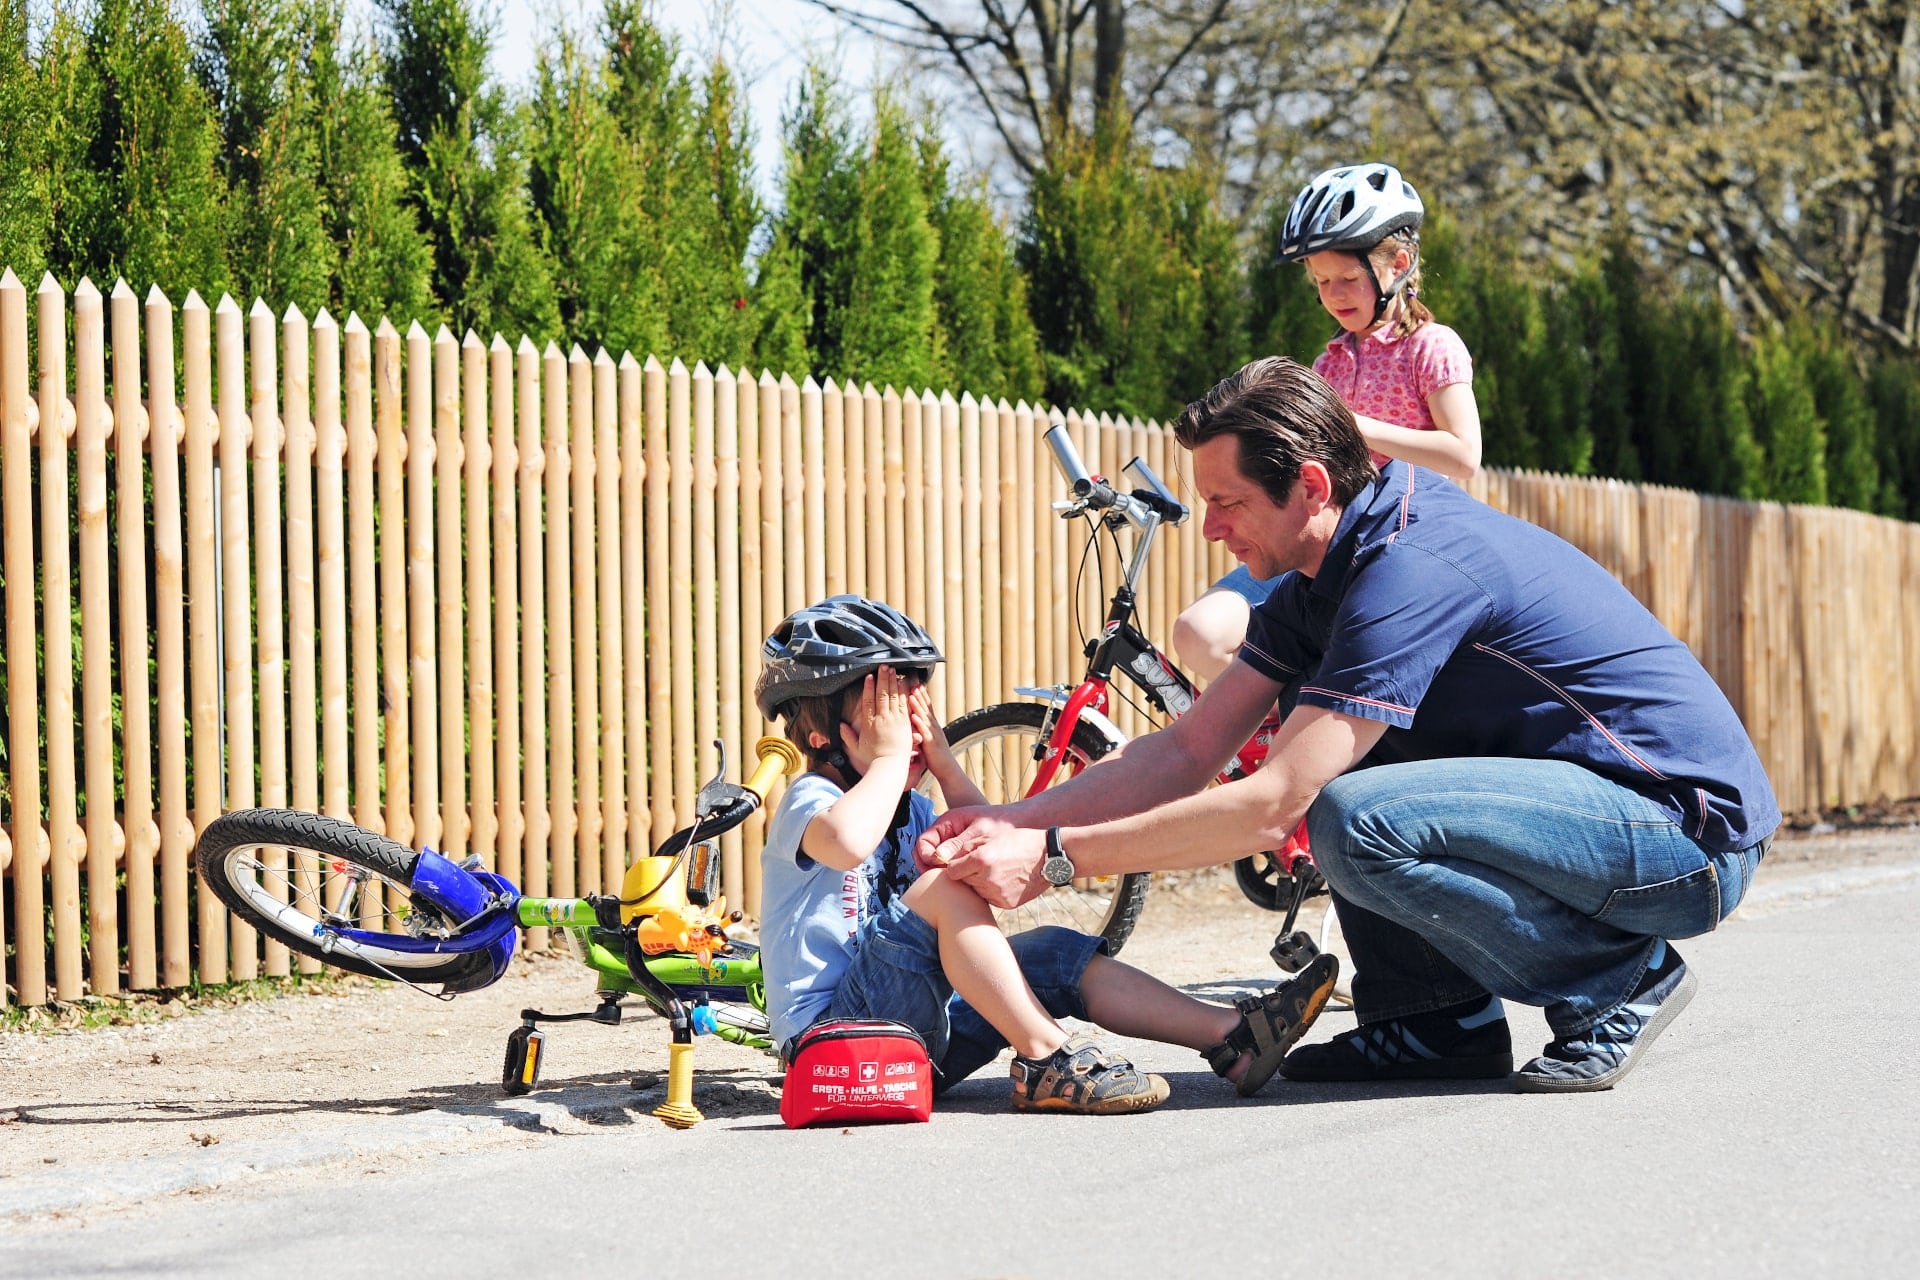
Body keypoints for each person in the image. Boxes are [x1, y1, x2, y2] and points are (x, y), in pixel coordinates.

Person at [919, 357, 1779, 1094]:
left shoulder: (1408, 568)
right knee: (1340, 752)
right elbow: (1188, 748)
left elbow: (1274, 805)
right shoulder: (1314, 586)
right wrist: (1013, 821)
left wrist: (1059, 858)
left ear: (1312, 484)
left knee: (1347, 812)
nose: (1211, 529)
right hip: (1593, 818)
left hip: (1685, 834)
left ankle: (1619, 980)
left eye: (1229, 503)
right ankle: (1437, 1022)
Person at [754, 594, 1338, 1114]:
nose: (906, 736)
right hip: (836, 1043)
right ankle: (1044, 1058)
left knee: (1051, 953)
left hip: (918, 1034)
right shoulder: (814, 801)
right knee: (939, 890)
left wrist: (945, 763)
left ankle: (1235, 1036)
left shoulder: (914, 810)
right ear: (822, 737)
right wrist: (887, 761)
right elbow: (849, 843)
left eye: (914, 717)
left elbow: (979, 850)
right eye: (886, 716)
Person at [1173, 162, 1482, 685]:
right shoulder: (1328, 364)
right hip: (1323, 545)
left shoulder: (1431, 346)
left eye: (1347, 278)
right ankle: (1280, 734)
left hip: (1397, 546)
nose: (1334, 294)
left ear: (1397, 264)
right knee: (1197, 632)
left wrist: (1356, 427)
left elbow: (1464, 456)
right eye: (1321, 282)